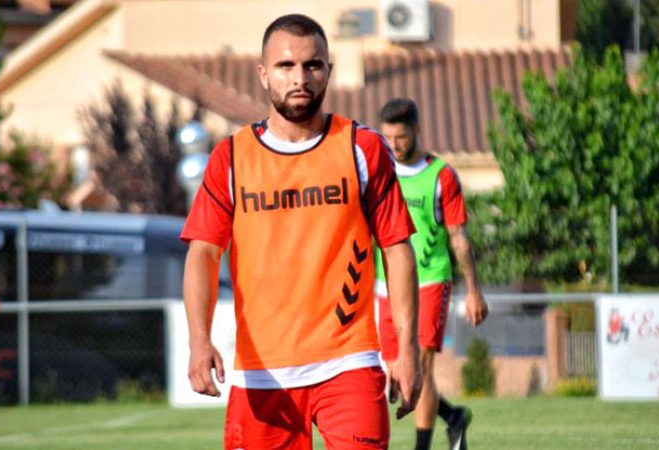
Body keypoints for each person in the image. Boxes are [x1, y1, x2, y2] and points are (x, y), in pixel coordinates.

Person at [180, 14, 422, 450]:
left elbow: (397, 248)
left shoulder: (363, 149)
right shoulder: (231, 158)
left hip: (349, 362)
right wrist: (199, 340)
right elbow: (203, 253)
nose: (300, 78)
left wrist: (408, 348)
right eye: (285, 66)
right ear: (263, 73)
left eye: (313, 65)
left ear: (329, 71)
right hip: (260, 374)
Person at [375, 99, 489, 450]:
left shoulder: (441, 176)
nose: (394, 145)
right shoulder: (380, 173)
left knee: (418, 364)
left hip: (430, 280)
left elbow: (458, 236)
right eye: (388, 137)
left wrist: (473, 290)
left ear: (417, 131)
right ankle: (453, 417)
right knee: (392, 370)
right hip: (386, 285)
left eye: (401, 137)